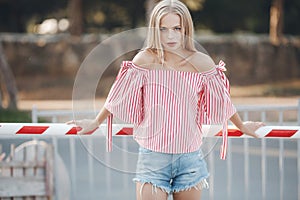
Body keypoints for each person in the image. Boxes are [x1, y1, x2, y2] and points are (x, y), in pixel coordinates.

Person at [67, 0, 264, 199]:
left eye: (177, 28)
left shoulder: (202, 63)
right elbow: (118, 94)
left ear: (186, 28)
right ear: (155, 30)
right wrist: (96, 121)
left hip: (190, 160)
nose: (170, 35)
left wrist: (241, 125)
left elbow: (223, 100)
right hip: (153, 159)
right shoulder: (144, 60)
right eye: (163, 29)